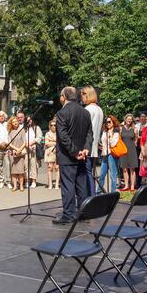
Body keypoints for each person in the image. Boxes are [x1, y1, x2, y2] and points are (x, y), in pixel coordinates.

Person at [54, 86, 93, 224]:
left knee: (68, 186)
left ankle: (69, 214)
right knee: (81, 185)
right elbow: (90, 133)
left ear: (64, 97)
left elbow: (63, 136)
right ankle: (82, 213)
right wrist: (86, 149)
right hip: (82, 155)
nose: (60, 98)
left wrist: (75, 152)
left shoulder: (62, 113)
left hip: (68, 156)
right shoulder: (85, 112)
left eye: (60, 95)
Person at [81, 86, 103, 196]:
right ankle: (92, 195)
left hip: (87, 146)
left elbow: (84, 129)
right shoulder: (99, 109)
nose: (82, 98)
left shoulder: (88, 109)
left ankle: (91, 197)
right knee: (90, 172)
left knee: (87, 174)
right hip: (94, 146)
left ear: (87, 95)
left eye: (83, 95)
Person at [99, 115, 120, 193]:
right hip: (104, 154)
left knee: (113, 175)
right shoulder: (104, 132)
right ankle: (98, 191)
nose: (107, 123)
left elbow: (113, 144)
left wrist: (110, 136)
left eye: (109, 122)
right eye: (106, 122)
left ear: (113, 122)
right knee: (102, 174)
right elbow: (103, 143)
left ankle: (113, 192)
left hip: (112, 155)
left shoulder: (116, 132)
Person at [119, 114, 139, 192]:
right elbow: (120, 139)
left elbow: (136, 140)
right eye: (128, 119)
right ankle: (126, 185)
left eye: (131, 119)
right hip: (123, 150)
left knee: (132, 168)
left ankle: (132, 185)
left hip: (132, 150)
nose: (129, 120)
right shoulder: (121, 128)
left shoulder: (135, 129)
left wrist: (135, 143)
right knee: (124, 168)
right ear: (125, 119)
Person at [7, 116, 27, 192]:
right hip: (12, 152)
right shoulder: (10, 131)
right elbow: (9, 143)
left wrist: (20, 149)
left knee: (21, 171)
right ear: (11, 123)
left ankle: (21, 186)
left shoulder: (22, 130)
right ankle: (15, 186)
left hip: (20, 153)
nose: (15, 123)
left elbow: (25, 142)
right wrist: (16, 149)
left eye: (16, 121)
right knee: (14, 171)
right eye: (13, 122)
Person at [27, 115, 43, 188]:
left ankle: (33, 181)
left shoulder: (36, 128)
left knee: (33, 165)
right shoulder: (24, 128)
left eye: (30, 120)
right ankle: (27, 180)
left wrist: (32, 143)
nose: (29, 121)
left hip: (34, 149)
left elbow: (39, 137)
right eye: (27, 120)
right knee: (26, 166)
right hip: (25, 148)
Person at [44, 119, 59, 189]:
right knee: (50, 168)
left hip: (58, 152)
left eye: (55, 125)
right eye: (51, 125)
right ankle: (50, 184)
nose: (53, 126)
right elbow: (46, 144)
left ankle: (56, 184)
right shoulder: (47, 133)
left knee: (57, 168)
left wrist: (51, 140)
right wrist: (55, 142)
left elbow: (60, 143)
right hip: (50, 152)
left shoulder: (59, 133)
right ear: (49, 126)